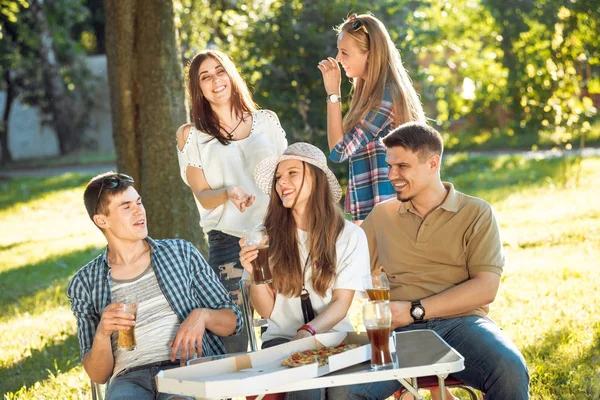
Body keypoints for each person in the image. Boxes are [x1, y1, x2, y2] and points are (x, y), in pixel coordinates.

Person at [345, 122, 529, 399]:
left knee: (509, 369)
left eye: (402, 167)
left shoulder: (476, 213)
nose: (392, 175)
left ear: (433, 163)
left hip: (463, 325)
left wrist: (414, 309)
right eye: (389, 166)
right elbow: (343, 268)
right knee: (344, 391)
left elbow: (485, 288)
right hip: (400, 334)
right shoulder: (382, 216)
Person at [67, 172, 243, 400]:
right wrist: (102, 333)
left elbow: (233, 322)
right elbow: (98, 375)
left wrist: (202, 316)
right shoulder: (85, 283)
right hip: (129, 379)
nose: (139, 211)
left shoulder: (181, 253)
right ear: (102, 220)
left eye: (139, 202)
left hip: (185, 369)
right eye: (126, 207)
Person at [176, 49, 287, 353]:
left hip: (277, 236)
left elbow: (285, 176)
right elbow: (202, 194)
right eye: (205, 76)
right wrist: (228, 192)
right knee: (234, 338)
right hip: (229, 243)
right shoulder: (192, 136)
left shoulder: (266, 121)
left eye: (220, 71)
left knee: (284, 325)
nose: (215, 80)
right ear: (197, 88)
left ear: (231, 74)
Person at [239, 142, 369, 400]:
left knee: (344, 392)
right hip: (282, 339)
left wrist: (308, 332)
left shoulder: (349, 235)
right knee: (306, 387)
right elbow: (267, 312)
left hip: (334, 337)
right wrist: (255, 273)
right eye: (278, 177)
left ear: (316, 179)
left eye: (292, 174)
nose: (281, 183)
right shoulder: (265, 236)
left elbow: (342, 304)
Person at [318, 13, 426, 224]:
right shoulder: (369, 96)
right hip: (378, 218)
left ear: (369, 54)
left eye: (345, 53)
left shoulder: (387, 97)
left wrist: (333, 94)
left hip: (392, 219)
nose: (339, 59)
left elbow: (338, 151)